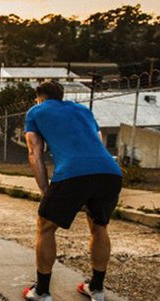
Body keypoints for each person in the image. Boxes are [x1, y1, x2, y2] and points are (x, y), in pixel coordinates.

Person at [22, 81, 122, 301]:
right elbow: (97, 141)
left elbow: (34, 152)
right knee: (99, 226)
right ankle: (96, 289)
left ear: (40, 97)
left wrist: (46, 190)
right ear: (61, 95)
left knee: (45, 227)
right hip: (110, 172)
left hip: (73, 172)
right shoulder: (83, 110)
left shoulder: (35, 111)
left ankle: (41, 292)